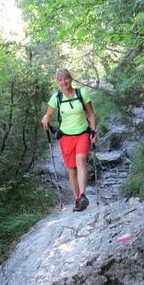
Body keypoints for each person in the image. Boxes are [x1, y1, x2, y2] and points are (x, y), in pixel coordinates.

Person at [41, 68, 98, 211]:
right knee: (71, 169)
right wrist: (46, 118)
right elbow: (49, 114)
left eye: (65, 78)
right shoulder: (56, 97)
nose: (63, 82)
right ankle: (77, 199)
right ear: (57, 82)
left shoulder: (82, 93)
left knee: (81, 160)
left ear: (70, 79)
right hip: (66, 136)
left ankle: (83, 194)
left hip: (83, 133)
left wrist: (93, 130)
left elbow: (91, 114)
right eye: (60, 80)